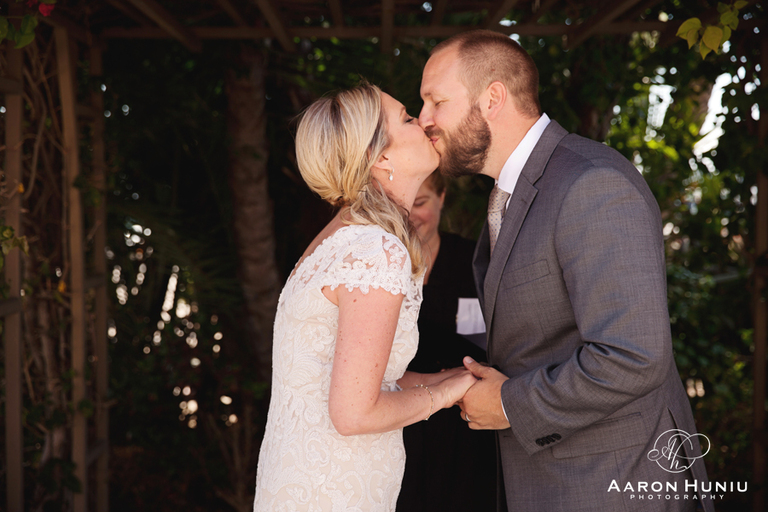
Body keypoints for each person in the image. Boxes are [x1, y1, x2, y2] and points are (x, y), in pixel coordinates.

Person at [417, 30, 714, 512]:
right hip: (554, 478)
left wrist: (511, 403)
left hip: (613, 482)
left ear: (492, 97)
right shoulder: (511, 192)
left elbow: (632, 356)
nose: (425, 119)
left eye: (436, 101)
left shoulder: (591, 183)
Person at [253, 83, 477, 512]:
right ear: (381, 158)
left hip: (304, 481)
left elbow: (361, 382)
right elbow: (355, 413)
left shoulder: (341, 237)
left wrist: (453, 380)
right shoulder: (374, 250)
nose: (425, 121)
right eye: (409, 118)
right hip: (336, 491)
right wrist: (447, 396)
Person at [397, 171, 496, 512]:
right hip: (400, 423)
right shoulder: (378, 271)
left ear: (441, 196)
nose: (410, 216)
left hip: (466, 430)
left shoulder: (476, 266)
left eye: (420, 202)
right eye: (402, 205)